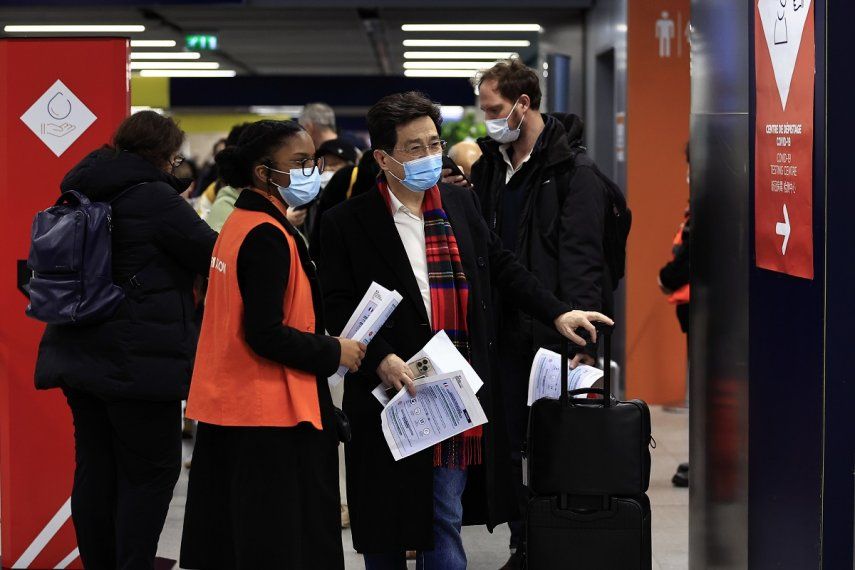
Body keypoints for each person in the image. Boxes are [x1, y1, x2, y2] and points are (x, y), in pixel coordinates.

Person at [319, 91, 613, 570]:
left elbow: (502, 265)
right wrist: (380, 358)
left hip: (452, 390)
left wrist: (558, 312)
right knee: (385, 529)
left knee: (442, 515)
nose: (429, 157)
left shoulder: (459, 202)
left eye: (434, 144)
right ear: (383, 158)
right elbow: (336, 304)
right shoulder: (346, 223)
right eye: (413, 148)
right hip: (387, 393)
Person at [33, 111, 217, 569]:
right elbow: (212, 252)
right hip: (138, 360)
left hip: (75, 349)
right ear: (164, 156)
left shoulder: (79, 188)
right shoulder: (155, 197)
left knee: (96, 468)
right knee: (151, 472)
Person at [179, 120, 365, 570]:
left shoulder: (241, 223)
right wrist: (332, 351)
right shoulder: (266, 235)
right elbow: (264, 332)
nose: (311, 171)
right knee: (279, 542)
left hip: (238, 405)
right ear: (264, 173)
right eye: (299, 163)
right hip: (271, 412)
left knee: (243, 537)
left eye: (313, 161)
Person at [469, 59, 615, 569]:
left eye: (493, 109)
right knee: (506, 445)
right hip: (500, 331)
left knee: (553, 447)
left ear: (522, 103)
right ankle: (523, 542)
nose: (486, 118)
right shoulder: (490, 166)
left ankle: (554, 543)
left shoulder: (574, 174)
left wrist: (582, 345)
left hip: (552, 334)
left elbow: (583, 263)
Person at [659, 143, 692, 488]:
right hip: (694, 308)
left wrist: (666, 278)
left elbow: (691, 253)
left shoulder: (707, 203)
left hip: (706, 312)